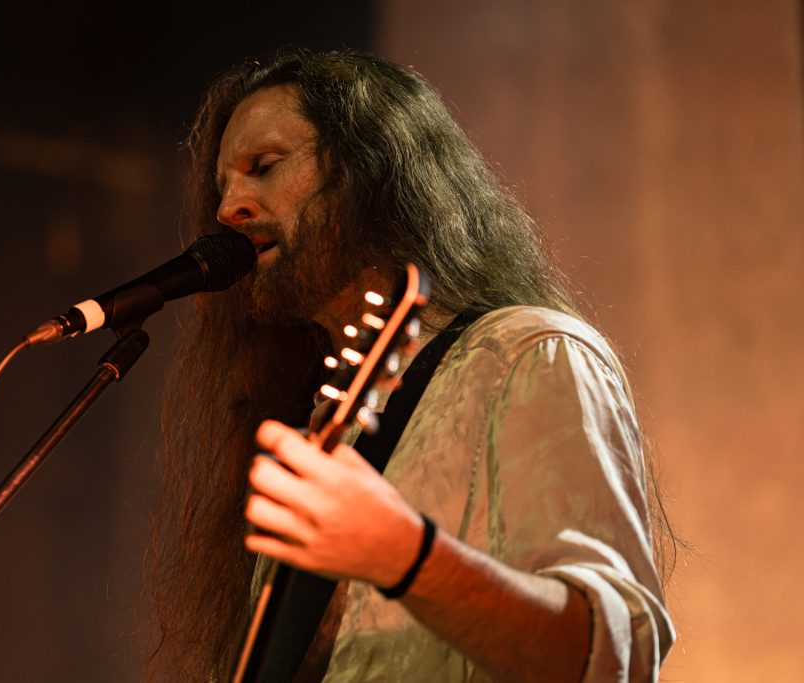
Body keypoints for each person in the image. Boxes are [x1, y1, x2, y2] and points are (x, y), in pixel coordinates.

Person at [146, 49, 676, 682]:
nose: (229, 207)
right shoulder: (321, 425)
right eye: (222, 187)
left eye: (263, 167)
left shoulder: (527, 354)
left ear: (373, 168)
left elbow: (614, 653)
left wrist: (405, 554)